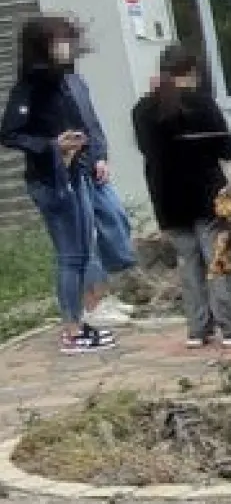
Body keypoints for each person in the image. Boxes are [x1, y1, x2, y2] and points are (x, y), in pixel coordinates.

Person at [131, 45, 231, 349]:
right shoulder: (201, 105)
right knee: (217, 259)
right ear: (192, 72)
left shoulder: (142, 110)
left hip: (167, 197)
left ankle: (197, 329)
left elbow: (145, 151)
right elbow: (227, 150)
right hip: (205, 194)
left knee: (187, 262)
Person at [0, 16, 115, 353]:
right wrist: (52, 145)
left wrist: (96, 155)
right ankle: (71, 330)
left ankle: (79, 321)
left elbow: (88, 122)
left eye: (68, 39)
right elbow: (9, 133)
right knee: (69, 255)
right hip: (50, 180)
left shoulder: (67, 81)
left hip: (77, 173)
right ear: (43, 46)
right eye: (59, 40)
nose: (67, 46)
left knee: (81, 253)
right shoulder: (30, 87)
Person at [65, 66, 138, 328]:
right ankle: (93, 304)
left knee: (115, 220)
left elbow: (91, 123)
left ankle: (106, 293)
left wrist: (101, 156)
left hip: (92, 166)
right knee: (86, 237)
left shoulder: (76, 80)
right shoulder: (46, 85)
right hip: (70, 170)